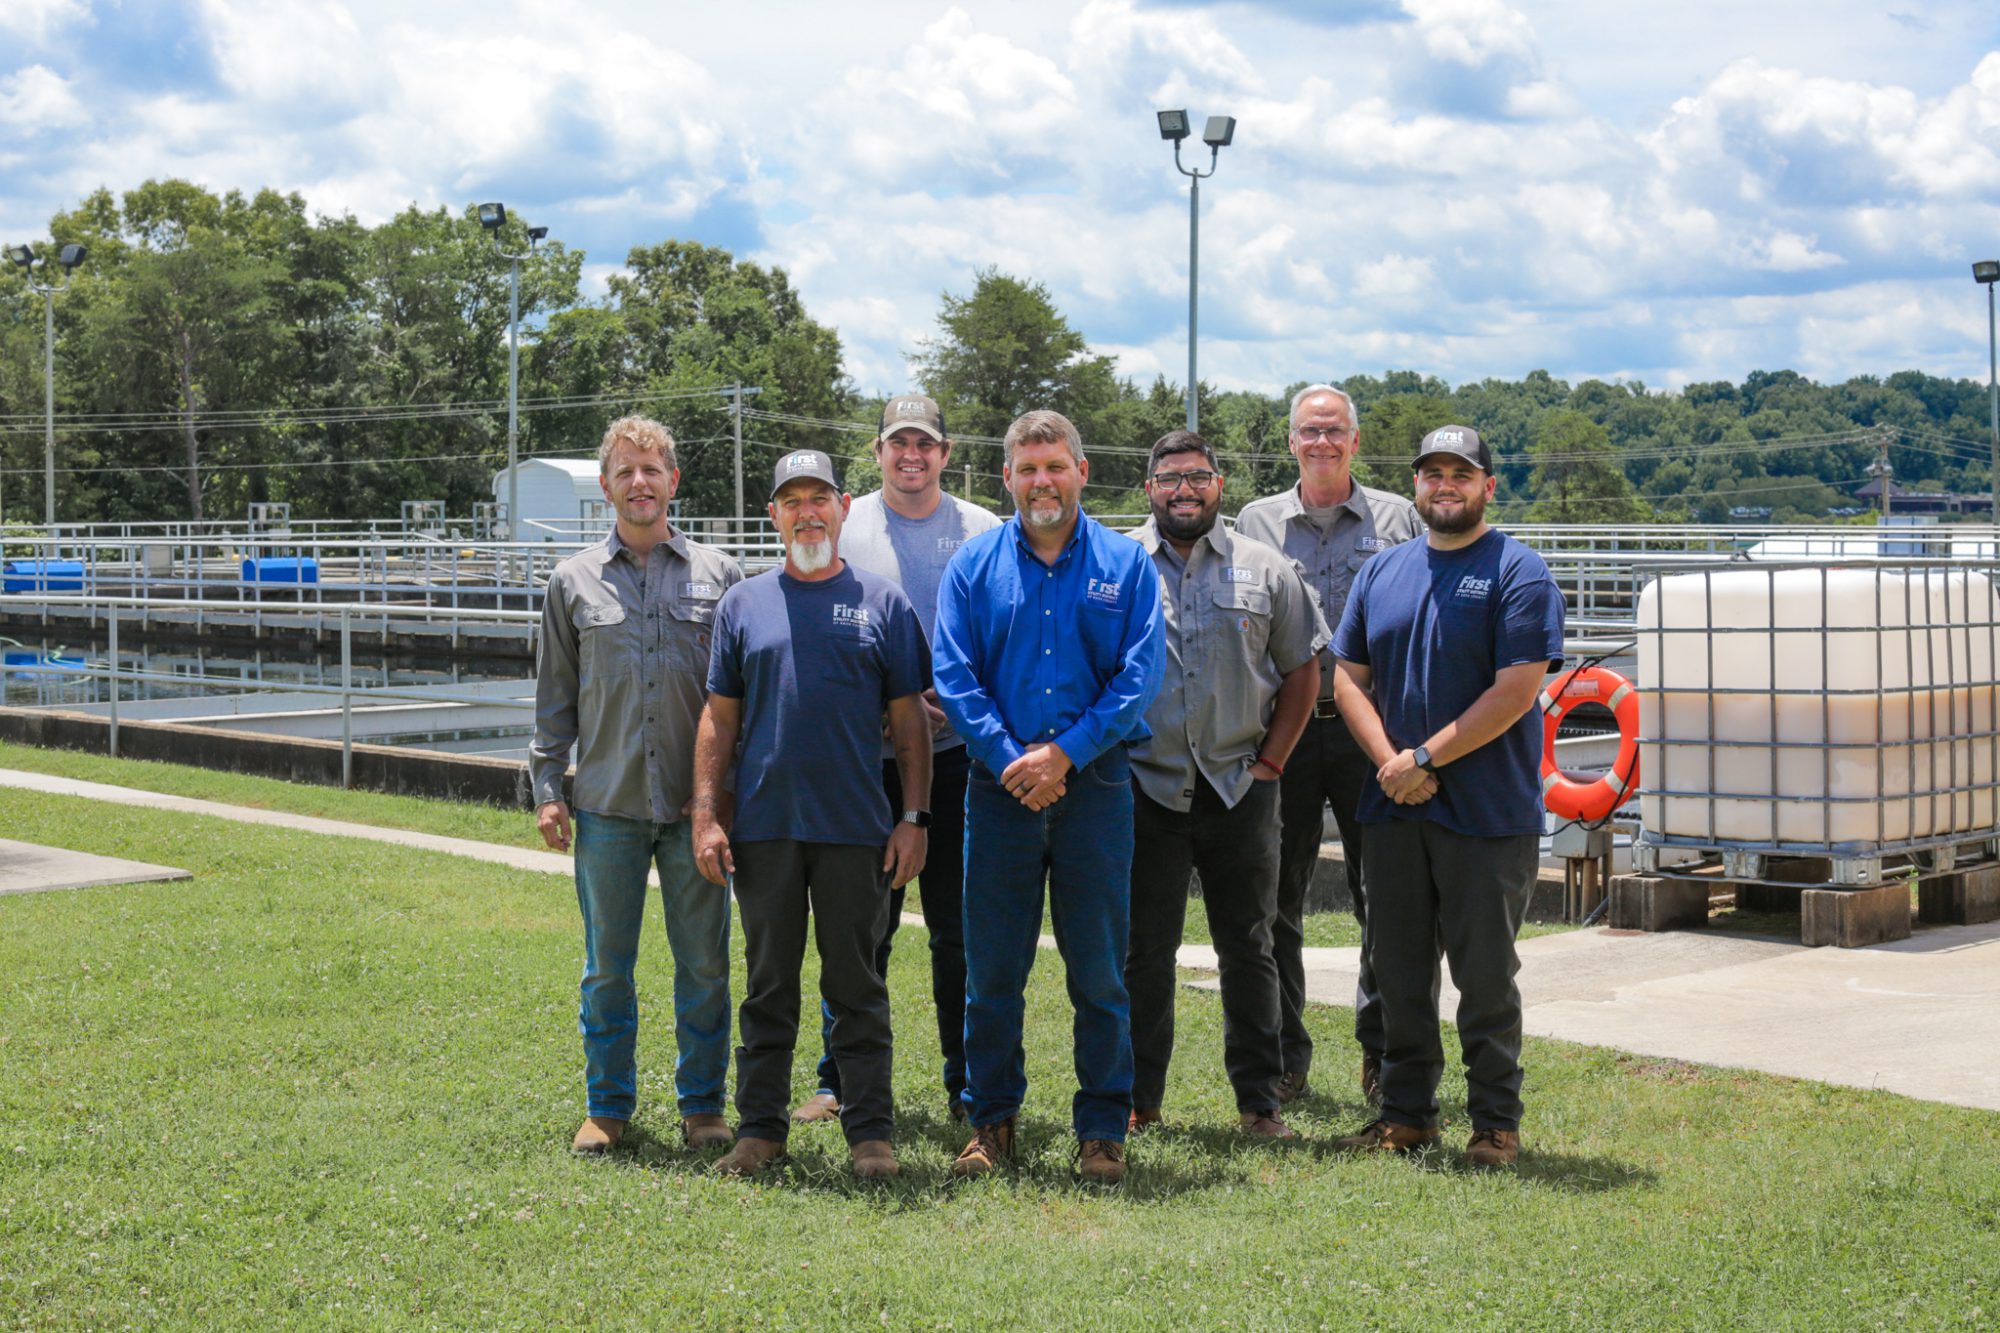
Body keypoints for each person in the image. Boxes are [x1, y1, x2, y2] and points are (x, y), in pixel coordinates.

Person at [932, 409, 1165, 1185]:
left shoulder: (1127, 565)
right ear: (1007, 477)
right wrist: (1012, 759)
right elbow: (954, 674)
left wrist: (1064, 753)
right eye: (1028, 468)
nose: (1042, 482)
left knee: (1098, 969)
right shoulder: (973, 566)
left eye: (1055, 466)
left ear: (1081, 471)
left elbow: (1139, 677)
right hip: (998, 791)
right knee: (993, 970)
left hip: (1096, 786)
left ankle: (1102, 1128)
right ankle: (992, 1121)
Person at [1327, 425, 1565, 1167]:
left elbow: (1516, 691)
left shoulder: (1519, 572)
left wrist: (1425, 756)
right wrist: (1391, 763)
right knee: (1396, 971)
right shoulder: (1382, 572)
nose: (1445, 486)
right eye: (1432, 474)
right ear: (1417, 486)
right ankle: (1407, 1115)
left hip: (1487, 813)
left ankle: (1495, 1122)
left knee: (1485, 975)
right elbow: (1346, 677)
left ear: (1488, 486)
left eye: (1461, 474)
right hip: (1394, 808)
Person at [691, 449, 933, 1181]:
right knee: (768, 985)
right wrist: (706, 815)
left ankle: (871, 1133)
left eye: (819, 498)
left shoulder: (884, 603)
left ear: (843, 507)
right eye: (792, 501)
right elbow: (719, 719)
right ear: (774, 515)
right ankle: (760, 1129)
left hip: (855, 828)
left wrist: (914, 816)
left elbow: (911, 722)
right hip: (765, 829)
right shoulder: (743, 604)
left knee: (857, 986)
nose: (807, 513)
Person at [530, 415, 741, 1156]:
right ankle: (608, 1105)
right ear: (606, 486)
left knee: (705, 965)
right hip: (607, 807)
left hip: (696, 813)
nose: (639, 482)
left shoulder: (722, 577)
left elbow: (740, 699)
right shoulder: (572, 581)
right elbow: (554, 697)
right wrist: (547, 787)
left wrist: (724, 797)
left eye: (652, 470)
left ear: (673, 481)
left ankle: (703, 1105)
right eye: (625, 471)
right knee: (606, 970)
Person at [791, 395, 1001, 1127]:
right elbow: (816, 626)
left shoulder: (982, 529)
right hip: (864, 762)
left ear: (945, 453)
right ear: (877, 451)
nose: (912, 455)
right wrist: (886, 704)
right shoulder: (847, 524)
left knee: (960, 932)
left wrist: (959, 699)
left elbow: (1002, 631)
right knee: (858, 930)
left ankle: (966, 1085)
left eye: (926, 443)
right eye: (898, 442)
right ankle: (838, 1079)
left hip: (960, 759)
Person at [1123, 430, 1328, 1140]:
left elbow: (1302, 669)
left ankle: (1260, 1102)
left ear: (1219, 484)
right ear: (1150, 488)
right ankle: (1139, 1100)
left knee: (1249, 947)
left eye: (1198, 476)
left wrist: (1272, 762)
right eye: (1170, 478)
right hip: (1145, 786)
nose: (1184, 489)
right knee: (1144, 950)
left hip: (1241, 786)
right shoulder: (1118, 564)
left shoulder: (1266, 567)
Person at [1234, 383, 1420, 1108]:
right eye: (1309, 431)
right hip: (1284, 728)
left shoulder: (1397, 519)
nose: (1321, 442)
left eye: (1334, 430)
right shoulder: (1256, 521)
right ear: (1291, 442)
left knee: (1386, 895)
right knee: (1276, 896)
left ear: (1355, 440)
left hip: (1371, 732)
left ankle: (1382, 1051)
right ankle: (1286, 1055)